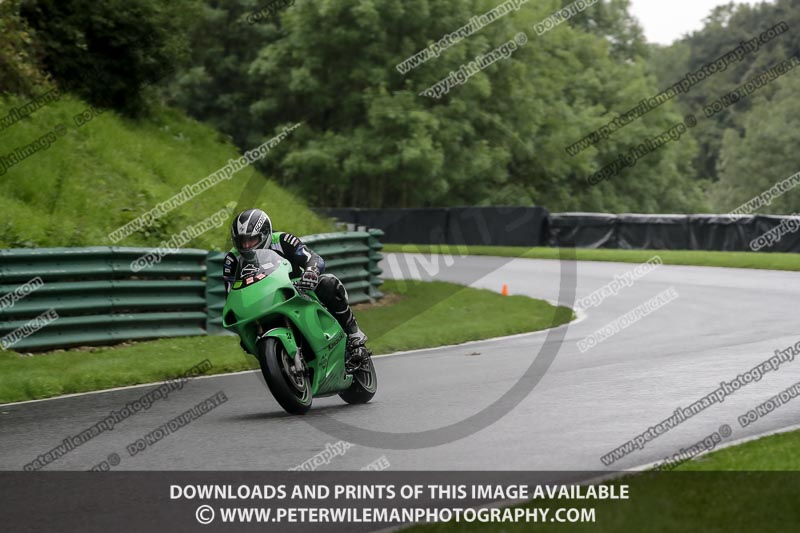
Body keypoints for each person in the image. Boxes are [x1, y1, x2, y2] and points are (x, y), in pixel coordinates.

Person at [223, 208, 370, 362]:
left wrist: (311, 271)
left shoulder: (282, 240)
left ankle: (354, 335)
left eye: (251, 240)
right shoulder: (232, 259)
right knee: (245, 341)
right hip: (261, 302)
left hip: (297, 288)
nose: (246, 246)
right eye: (241, 241)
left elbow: (313, 257)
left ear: (265, 234)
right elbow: (230, 291)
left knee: (327, 283)